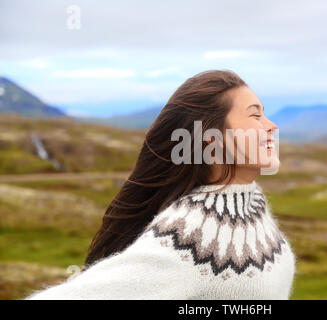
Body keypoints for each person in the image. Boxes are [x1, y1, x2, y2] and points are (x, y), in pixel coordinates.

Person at [25, 69, 296, 300]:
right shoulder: (190, 237)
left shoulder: (253, 206)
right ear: (213, 141)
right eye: (255, 116)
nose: (271, 126)